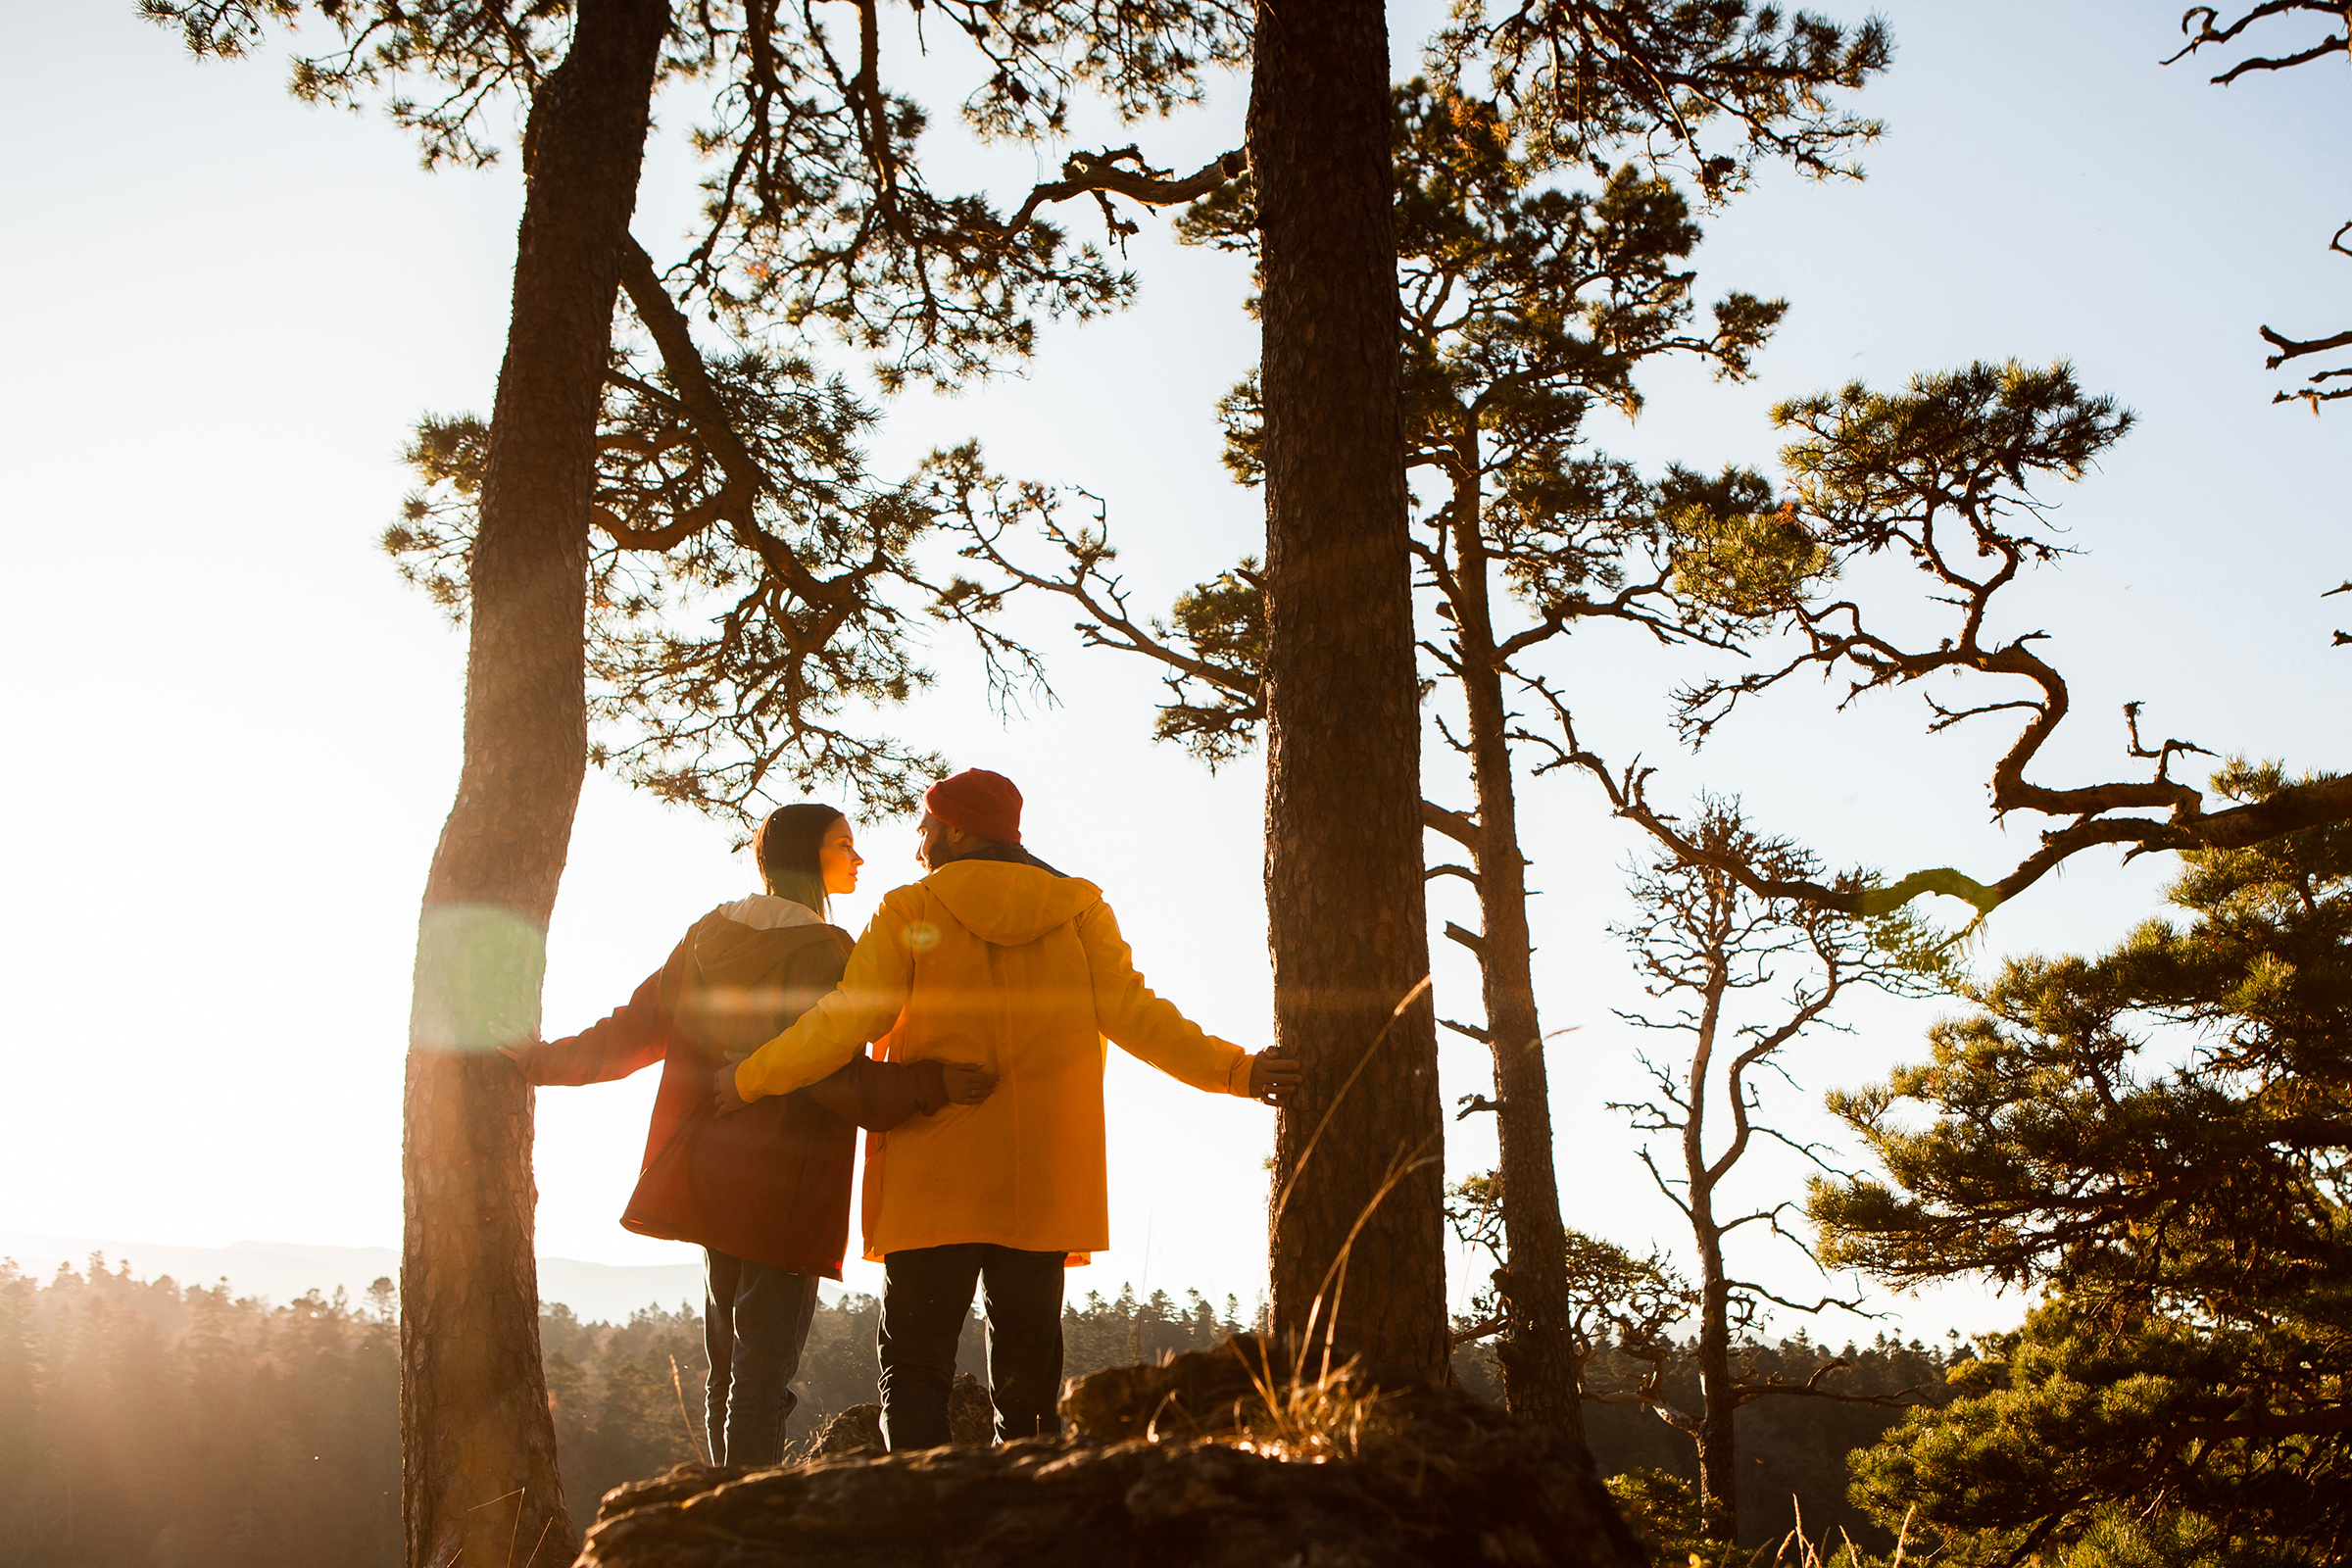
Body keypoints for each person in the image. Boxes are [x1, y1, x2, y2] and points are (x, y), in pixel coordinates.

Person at [715, 768, 1302, 1450]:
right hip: (1041, 1185)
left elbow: (841, 1025)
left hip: (931, 1181)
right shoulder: (1079, 909)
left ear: (958, 829)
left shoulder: (910, 909)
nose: (915, 848)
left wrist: (750, 1079)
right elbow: (1140, 1019)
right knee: (1028, 1387)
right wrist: (1240, 1070)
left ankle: (919, 1532)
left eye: (924, 828)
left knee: (914, 1372)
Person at [507, 803, 997, 1468]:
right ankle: (749, 1524)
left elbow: (630, 1034)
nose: (858, 860)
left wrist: (539, 1062)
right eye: (844, 846)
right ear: (806, 858)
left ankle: (723, 1508)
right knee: (762, 1377)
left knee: (726, 1373)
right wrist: (932, 1084)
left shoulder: (708, 934)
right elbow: (833, 1079)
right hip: (784, 1188)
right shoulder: (828, 951)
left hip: (710, 1177)